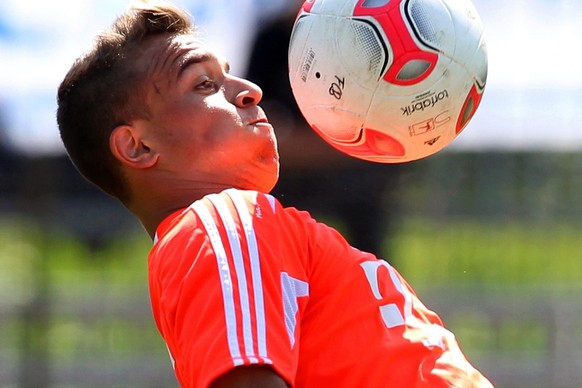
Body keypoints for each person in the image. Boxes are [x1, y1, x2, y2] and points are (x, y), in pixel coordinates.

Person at [56, 1, 492, 387]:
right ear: (138, 146)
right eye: (204, 84)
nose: (250, 90)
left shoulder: (248, 231)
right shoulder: (221, 223)